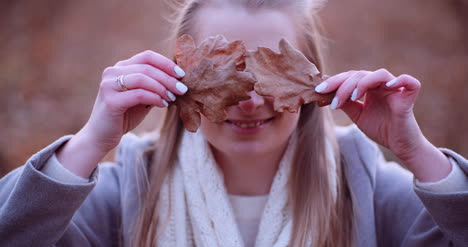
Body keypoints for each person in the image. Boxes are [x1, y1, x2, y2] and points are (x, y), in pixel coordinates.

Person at [1, 0, 467, 246]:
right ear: (177, 76)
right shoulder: (122, 199)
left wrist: (417, 155)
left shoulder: (371, 194)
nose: (248, 100)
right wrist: (87, 145)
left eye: (272, 70)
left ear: (314, 80)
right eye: (223, 72)